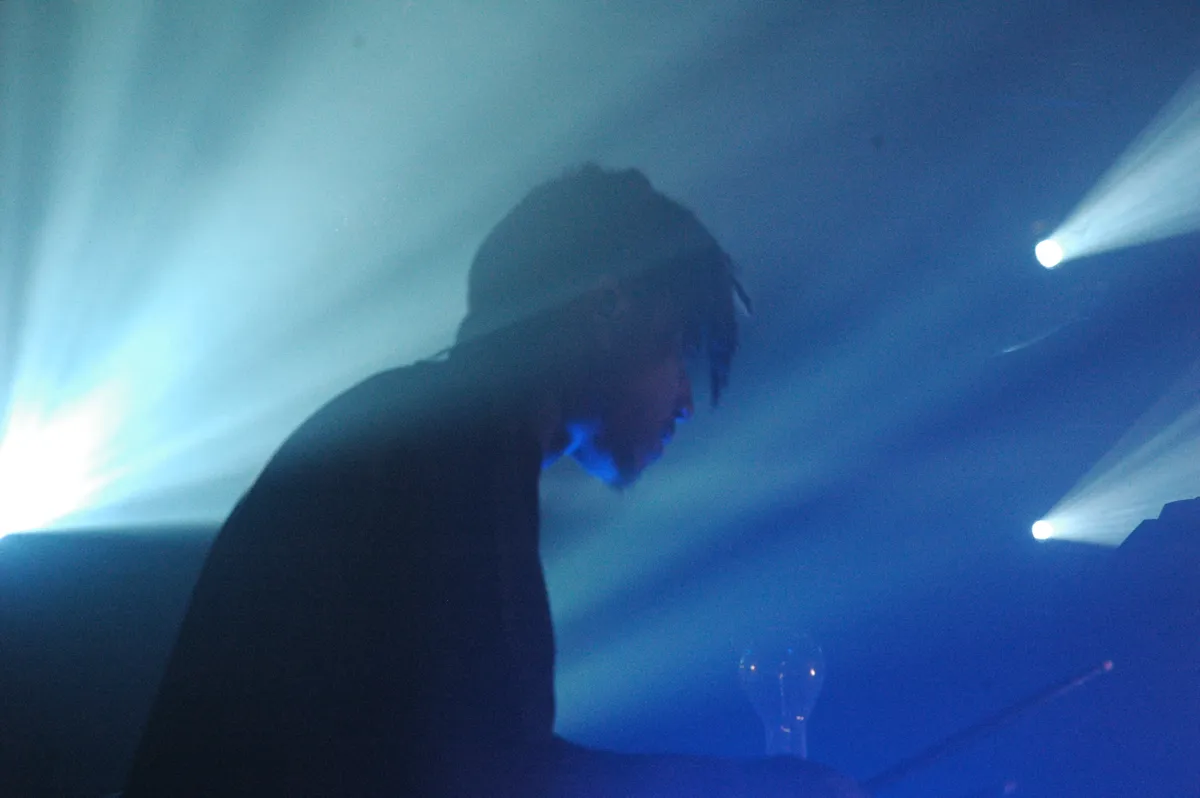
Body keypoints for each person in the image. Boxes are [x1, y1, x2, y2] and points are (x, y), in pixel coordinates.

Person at [122, 165, 866, 797]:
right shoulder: (447, 452)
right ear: (609, 306)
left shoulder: (426, 435)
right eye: (680, 351)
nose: (684, 399)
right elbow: (490, 775)